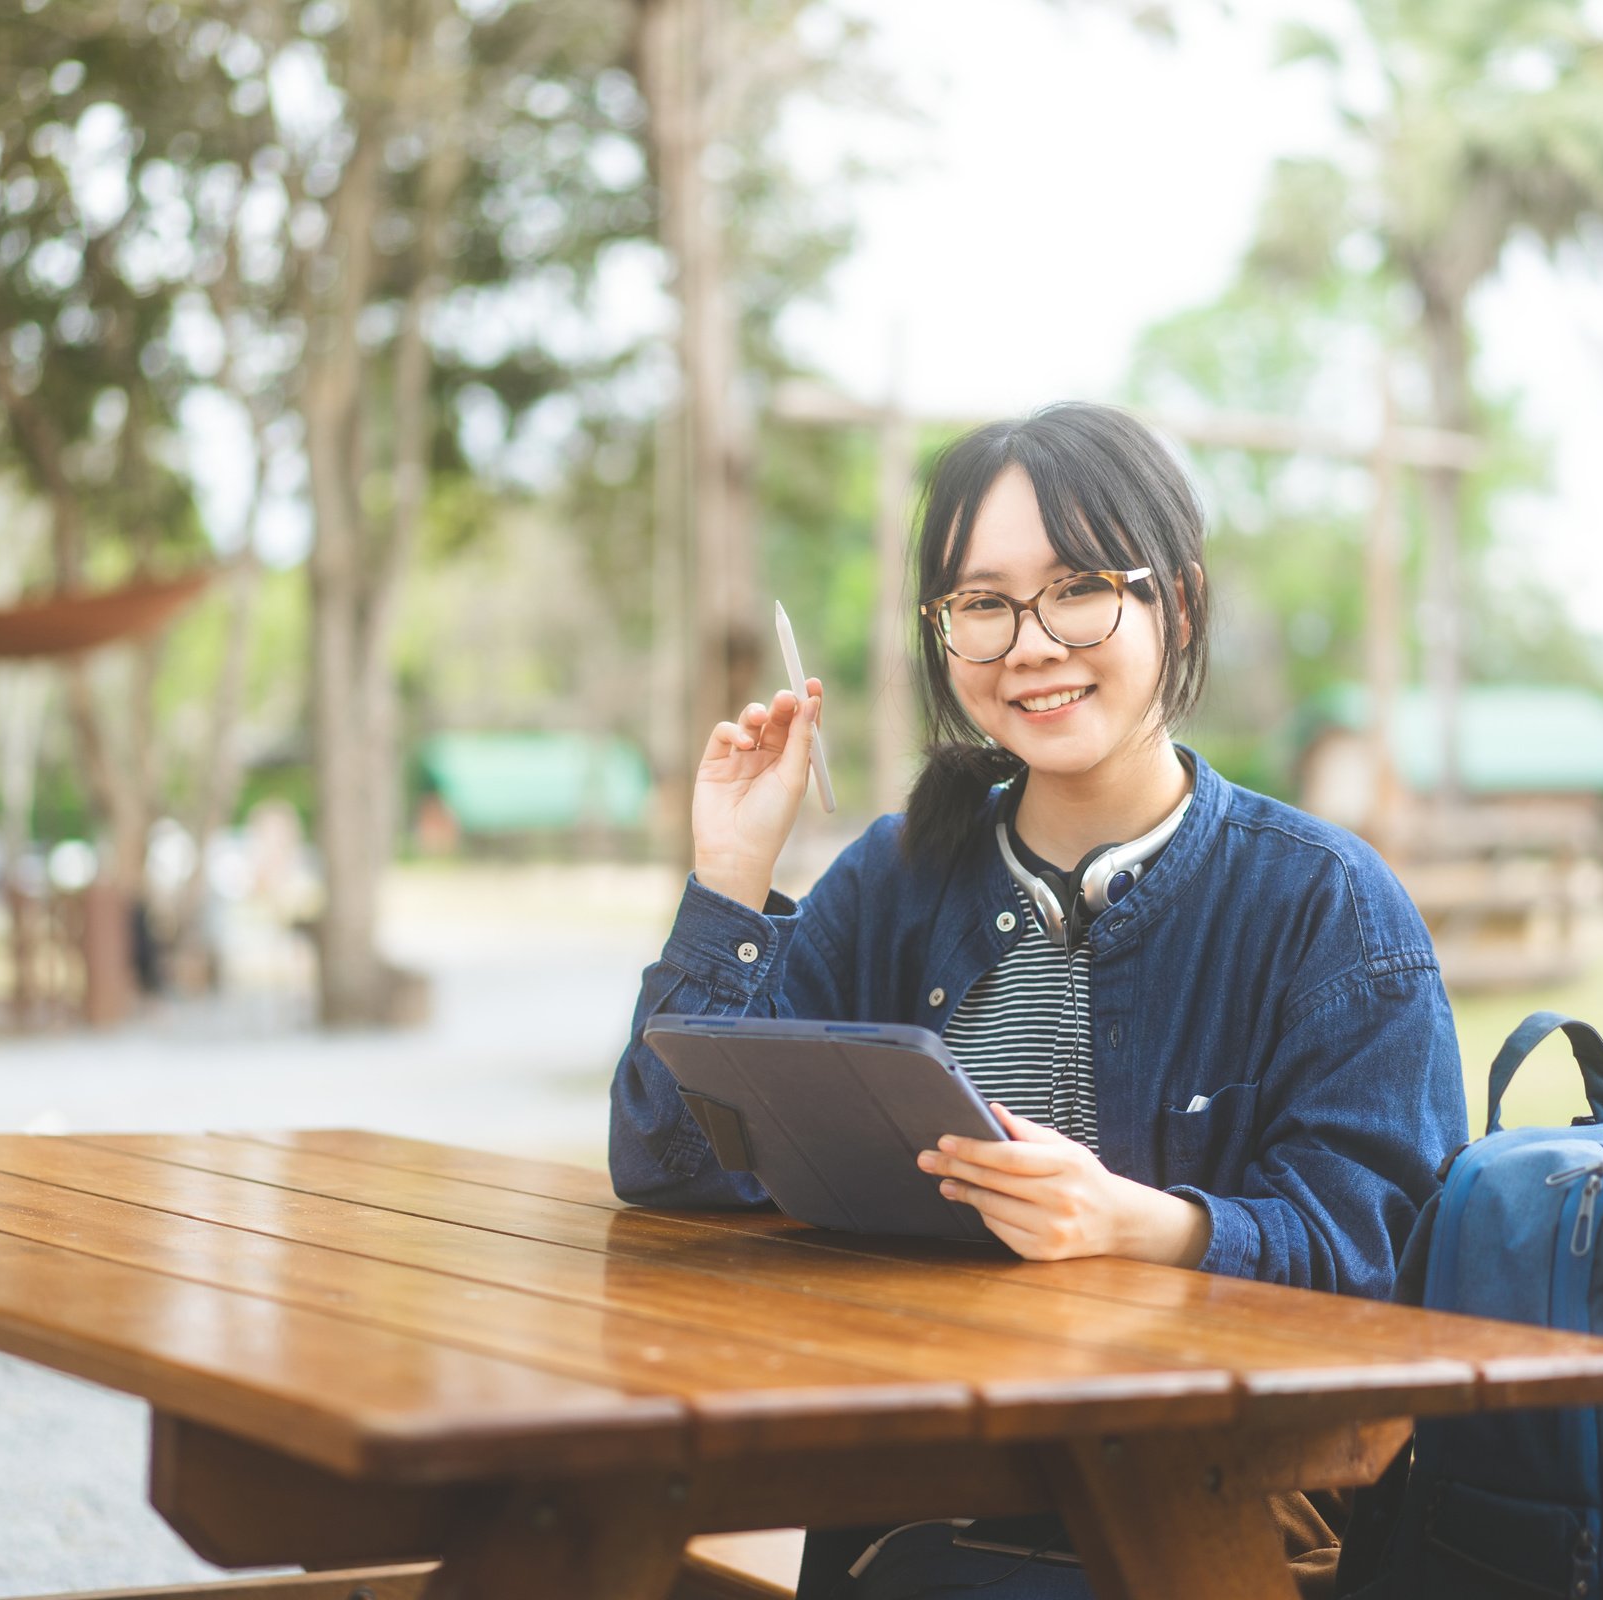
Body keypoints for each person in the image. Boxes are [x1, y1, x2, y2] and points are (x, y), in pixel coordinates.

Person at [608, 402, 1464, 1598]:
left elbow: (1390, 1261)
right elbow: (665, 1161)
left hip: (1209, 1519)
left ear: (1181, 602)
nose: (1030, 643)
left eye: (1079, 590)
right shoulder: (894, 879)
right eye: (983, 602)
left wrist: (1145, 1223)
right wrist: (729, 876)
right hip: (908, 1511)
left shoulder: (1325, 904)